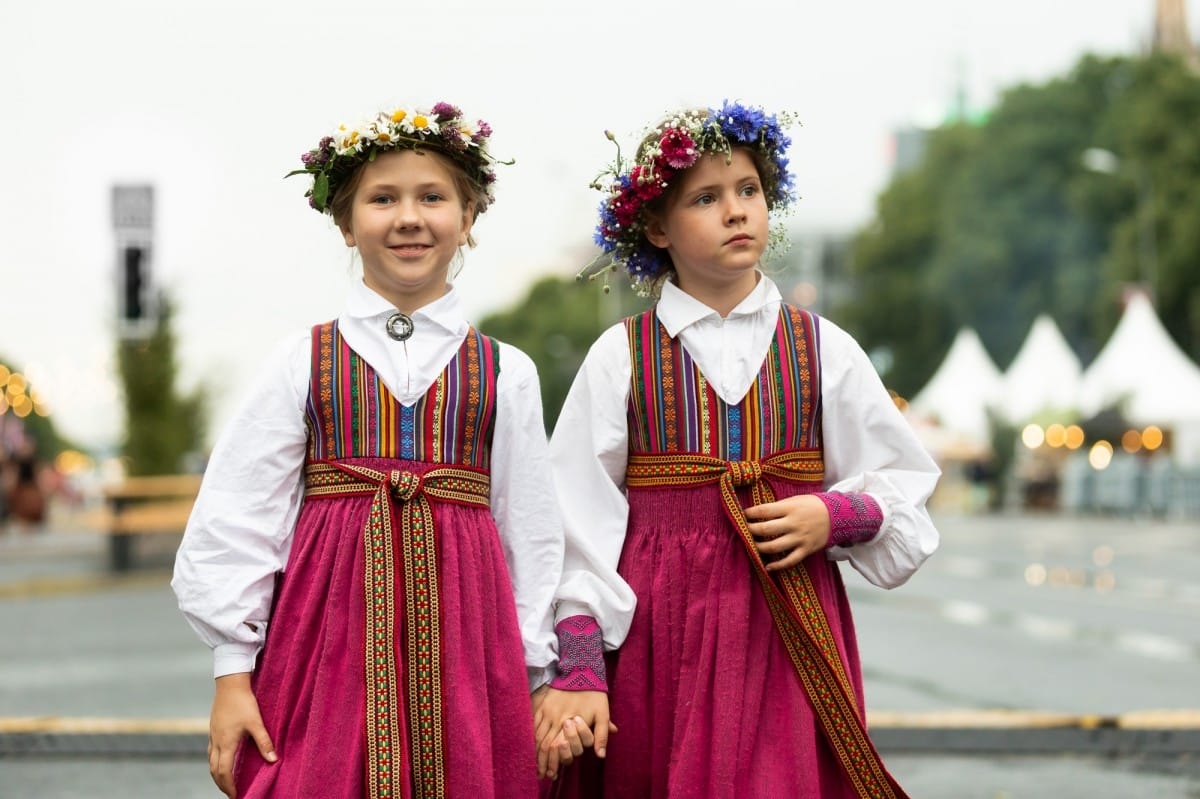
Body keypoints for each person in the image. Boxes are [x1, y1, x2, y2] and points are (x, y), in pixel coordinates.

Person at [535, 101, 941, 798]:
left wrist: (833, 516)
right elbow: (574, 526)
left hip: (788, 627)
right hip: (660, 641)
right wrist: (579, 670)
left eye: (748, 190)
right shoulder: (619, 358)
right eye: (706, 197)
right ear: (656, 226)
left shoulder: (822, 347)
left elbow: (902, 478)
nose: (736, 211)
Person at [172, 101, 570, 799]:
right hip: (327, 648)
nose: (408, 217)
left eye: (433, 197)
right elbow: (239, 514)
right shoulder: (304, 359)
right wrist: (233, 671)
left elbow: (531, 531)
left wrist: (538, 676)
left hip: (469, 653)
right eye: (383, 198)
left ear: (468, 217)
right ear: (346, 223)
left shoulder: (506, 370)